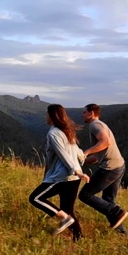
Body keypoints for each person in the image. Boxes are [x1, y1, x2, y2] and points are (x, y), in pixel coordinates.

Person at [29, 104, 90, 242]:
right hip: (74, 177)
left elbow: (64, 155)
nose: (46, 116)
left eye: (47, 114)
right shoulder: (67, 131)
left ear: (52, 116)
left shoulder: (53, 133)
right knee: (67, 209)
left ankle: (64, 218)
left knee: (35, 198)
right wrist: (80, 168)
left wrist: (76, 171)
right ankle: (79, 238)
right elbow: (78, 153)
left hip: (63, 177)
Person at [78, 103, 128, 233]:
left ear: (91, 113)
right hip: (119, 165)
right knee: (108, 200)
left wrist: (86, 152)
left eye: (84, 112)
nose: (82, 114)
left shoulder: (95, 125)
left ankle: (117, 211)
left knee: (85, 195)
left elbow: (106, 142)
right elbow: (97, 156)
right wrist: (81, 162)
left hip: (110, 168)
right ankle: (122, 232)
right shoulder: (100, 125)